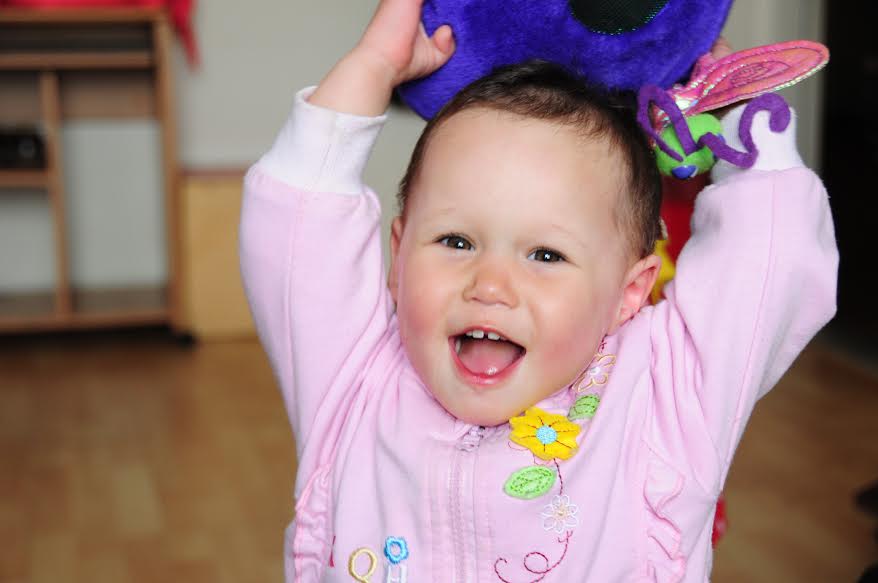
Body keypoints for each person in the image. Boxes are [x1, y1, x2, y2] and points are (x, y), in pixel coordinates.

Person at [239, 0, 838, 580]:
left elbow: (772, 256)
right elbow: (297, 221)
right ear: (399, 257)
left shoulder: (662, 397)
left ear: (628, 293)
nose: (490, 285)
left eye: (546, 255)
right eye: (455, 241)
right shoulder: (353, 380)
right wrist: (373, 64)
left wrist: (735, 111)